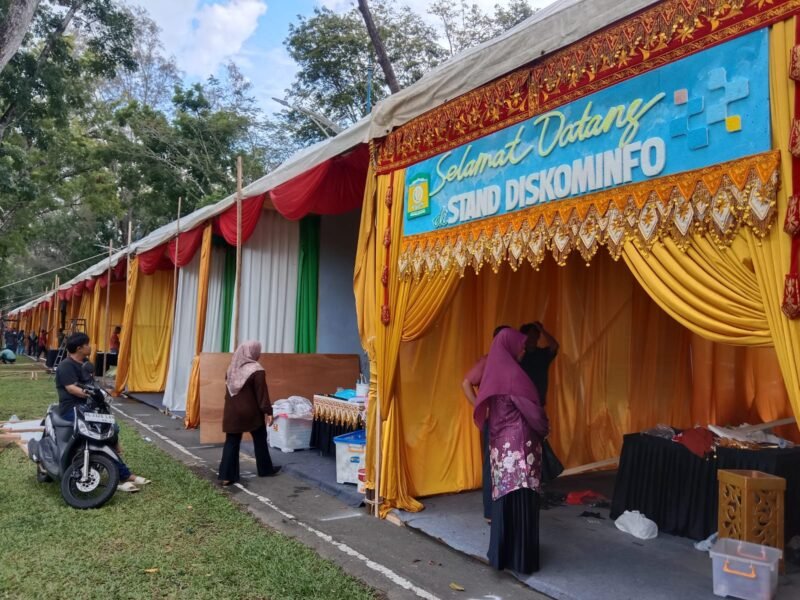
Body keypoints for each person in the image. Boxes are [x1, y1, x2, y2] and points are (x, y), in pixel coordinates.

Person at [474, 328, 549, 574]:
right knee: (521, 500)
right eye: (519, 345)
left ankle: (502, 554)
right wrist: (545, 427)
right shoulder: (514, 376)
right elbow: (533, 413)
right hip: (519, 454)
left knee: (504, 502)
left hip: (500, 449)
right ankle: (521, 558)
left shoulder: (494, 373)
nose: (522, 350)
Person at [55, 332, 150, 493]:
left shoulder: (85, 363)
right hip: (73, 409)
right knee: (100, 437)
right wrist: (89, 393)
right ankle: (124, 474)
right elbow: (71, 388)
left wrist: (102, 393)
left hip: (88, 409)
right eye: (87, 344)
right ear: (79, 348)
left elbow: (92, 383)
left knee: (112, 427)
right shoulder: (66, 365)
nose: (90, 347)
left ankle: (117, 456)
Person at [462, 324, 509, 521]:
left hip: (509, 421)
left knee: (507, 464)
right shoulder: (487, 361)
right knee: (491, 464)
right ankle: (490, 512)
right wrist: (479, 406)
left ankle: (503, 509)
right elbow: (466, 383)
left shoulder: (512, 362)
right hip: (494, 421)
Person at [218, 340, 280, 486]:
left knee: (232, 441)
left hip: (232, 412)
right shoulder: (256, 369)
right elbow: (262, 395)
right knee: (260, 438)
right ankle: (265, 469)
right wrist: (268, 412)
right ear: (253, 352)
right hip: (251, 413)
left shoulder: (231, 369)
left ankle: (227, 476)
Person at [519, 322, 559, 407]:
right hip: (521, 401)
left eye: (534, 335)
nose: (532, 338)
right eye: (529, 336)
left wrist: (541, 330)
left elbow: (554, 346)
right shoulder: (519, 355)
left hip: (538, 401)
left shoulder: (542, 354)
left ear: (538, 337)